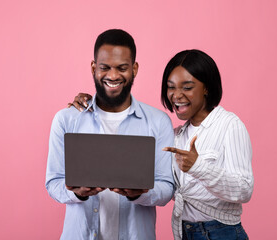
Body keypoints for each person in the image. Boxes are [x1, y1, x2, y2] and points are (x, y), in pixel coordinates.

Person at [71, 49, 254, 240]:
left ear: (206, 87)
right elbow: (162, 184)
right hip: (184, 232)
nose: (176, 95)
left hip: (222, 233)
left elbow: (244, 189)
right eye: (171, 87)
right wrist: (96, 103)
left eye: (187, 87)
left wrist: (198, 167)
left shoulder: (229, 126)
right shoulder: (176, 136)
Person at [46, 29, 175, 240]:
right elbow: (53, 183)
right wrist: (77, 193)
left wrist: (141, 193)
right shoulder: (67, 120)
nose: (113, 76)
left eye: (122, 68)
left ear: (134, 69)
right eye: (105, 67)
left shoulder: (158, 122)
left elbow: (167, 188)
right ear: (93, 68)